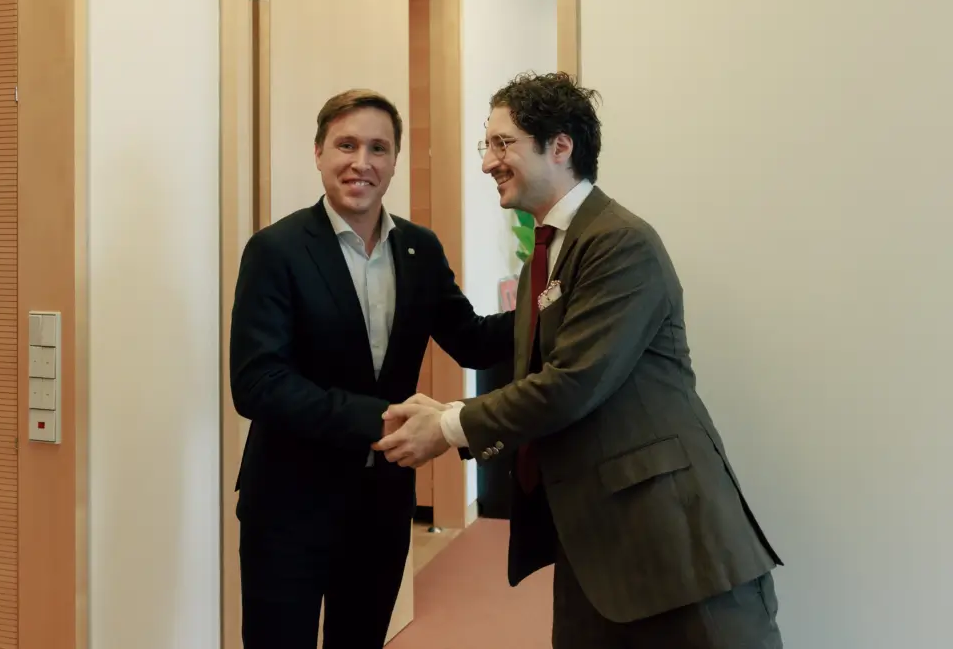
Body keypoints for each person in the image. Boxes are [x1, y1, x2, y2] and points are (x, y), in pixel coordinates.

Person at [375, 72, 784, 648]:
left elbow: (571, 382)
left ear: (560, 146)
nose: (488, 162)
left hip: (674, 548)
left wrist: (448, 426)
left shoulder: (619, 242)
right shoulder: (549, 250)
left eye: (502, 143)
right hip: (593, 548)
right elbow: (505, 344)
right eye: (485, 146)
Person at [229, 88, 514, 648]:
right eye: (346, 144)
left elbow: (474, 341)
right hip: (288, 504)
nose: (362, 162)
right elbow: (258, 385)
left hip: (381, 506)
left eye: (379, 148)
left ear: (395, 162)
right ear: (318, 153)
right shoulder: (276, 250)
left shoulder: (419, 249)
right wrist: (379, 419)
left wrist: (550, 302)